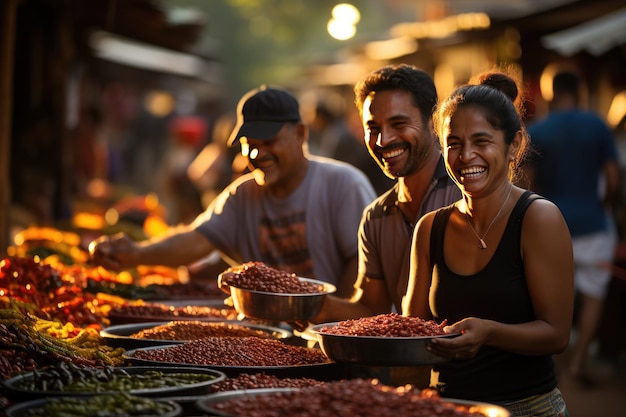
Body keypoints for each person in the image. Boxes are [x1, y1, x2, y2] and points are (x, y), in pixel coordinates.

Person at [89, 85, 377, 298]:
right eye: (248, 144)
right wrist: (136, 254)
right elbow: (196, 240)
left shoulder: (342, 184)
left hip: (335, 332)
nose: (256, 153)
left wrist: (334, 316)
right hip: (268, 336)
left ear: (300, 134)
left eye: (269, 142)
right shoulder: (243, 194)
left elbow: (363, 264)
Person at [403, 70, 573, 417]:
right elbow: (412, 332)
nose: (466, 156)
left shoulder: (538, 218)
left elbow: (556, 335)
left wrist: (489, 333)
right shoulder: (430, 229)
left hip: (528, 407)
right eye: (453, 143)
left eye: (482, 141)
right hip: (449, 407)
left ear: (514, 146)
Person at [313, 64, 461, 323]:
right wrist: (301, 302)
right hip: (409, 363)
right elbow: (372, 309)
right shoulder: (375, 217)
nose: (383, 140)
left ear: (433, 122)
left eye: (399, 123)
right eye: (373, 127)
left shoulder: (466, 197)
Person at [524, 70, 621, 386]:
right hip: (593, 227)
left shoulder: (537, 130)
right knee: (593, 297)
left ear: (550, 94)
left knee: (549, 300)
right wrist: (603, 208)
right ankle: (579, 364)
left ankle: (556, 366)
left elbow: (529, 184)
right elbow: (613, 178)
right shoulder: (597, 125)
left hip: (551, 228)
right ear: (579, 90)